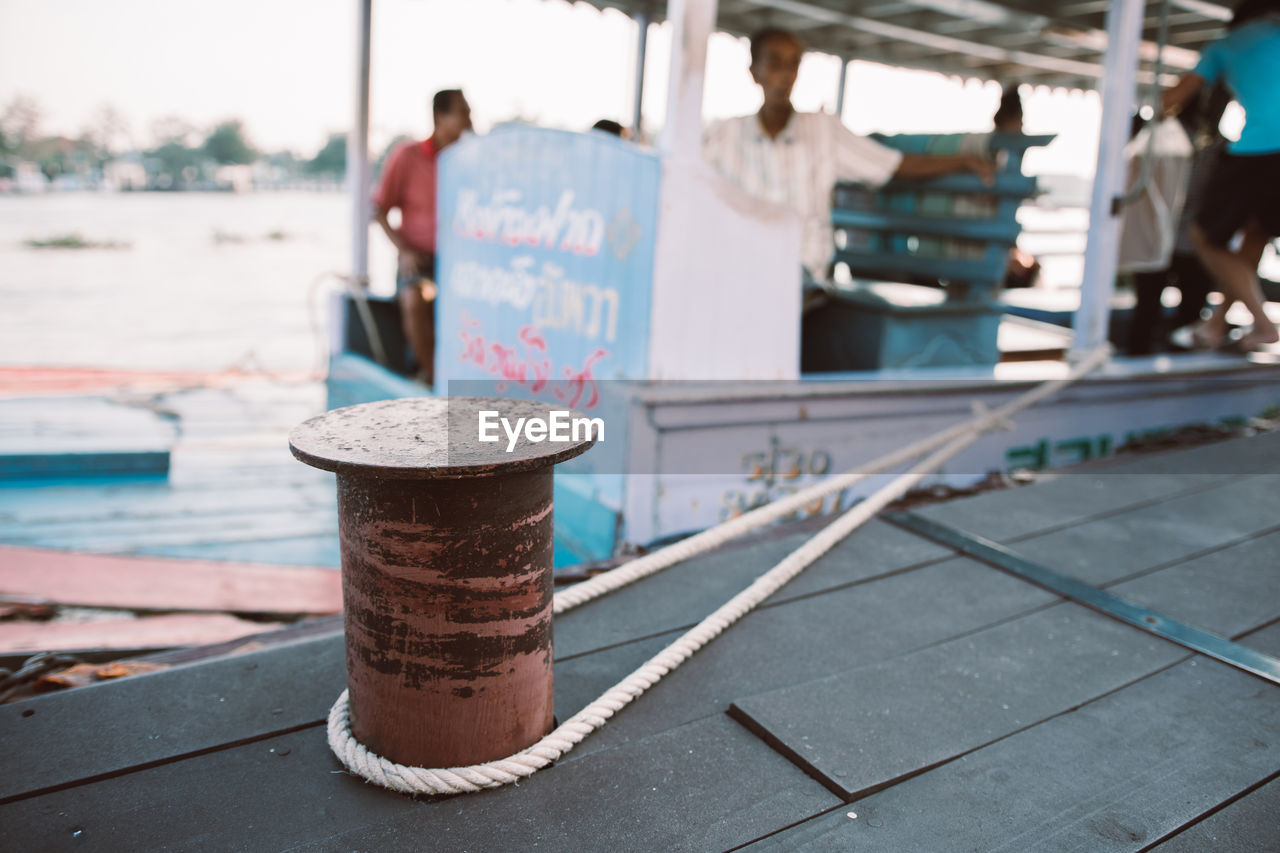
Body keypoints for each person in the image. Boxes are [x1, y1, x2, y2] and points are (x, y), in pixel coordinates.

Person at [703, 27, 994, 283]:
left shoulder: (823, 131)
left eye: (793, 64)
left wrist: (962, 160)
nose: (785, 75)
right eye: (775, 63)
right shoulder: (723, 136)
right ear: (755, 71)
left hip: (804, 274)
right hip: (742, 271)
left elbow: (893, 164)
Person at [1162, 0, 1280, 352]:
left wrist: (1153, 107)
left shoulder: (1225, 44)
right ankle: (1216, 325)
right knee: (1254, 236)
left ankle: (1263, 324)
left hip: (1259, 151)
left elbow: (1174, 98)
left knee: (1204, 237)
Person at [374, 89, 473, 382]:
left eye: (470, 113)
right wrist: (404, 251)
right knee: (415, 299)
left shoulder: (472, 163)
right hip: (421, 263)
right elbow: (380, 211)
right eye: (463, 112)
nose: (470, 121)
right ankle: (435, 383)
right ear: (439, 116)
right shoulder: (407, 155)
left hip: (463, 266)